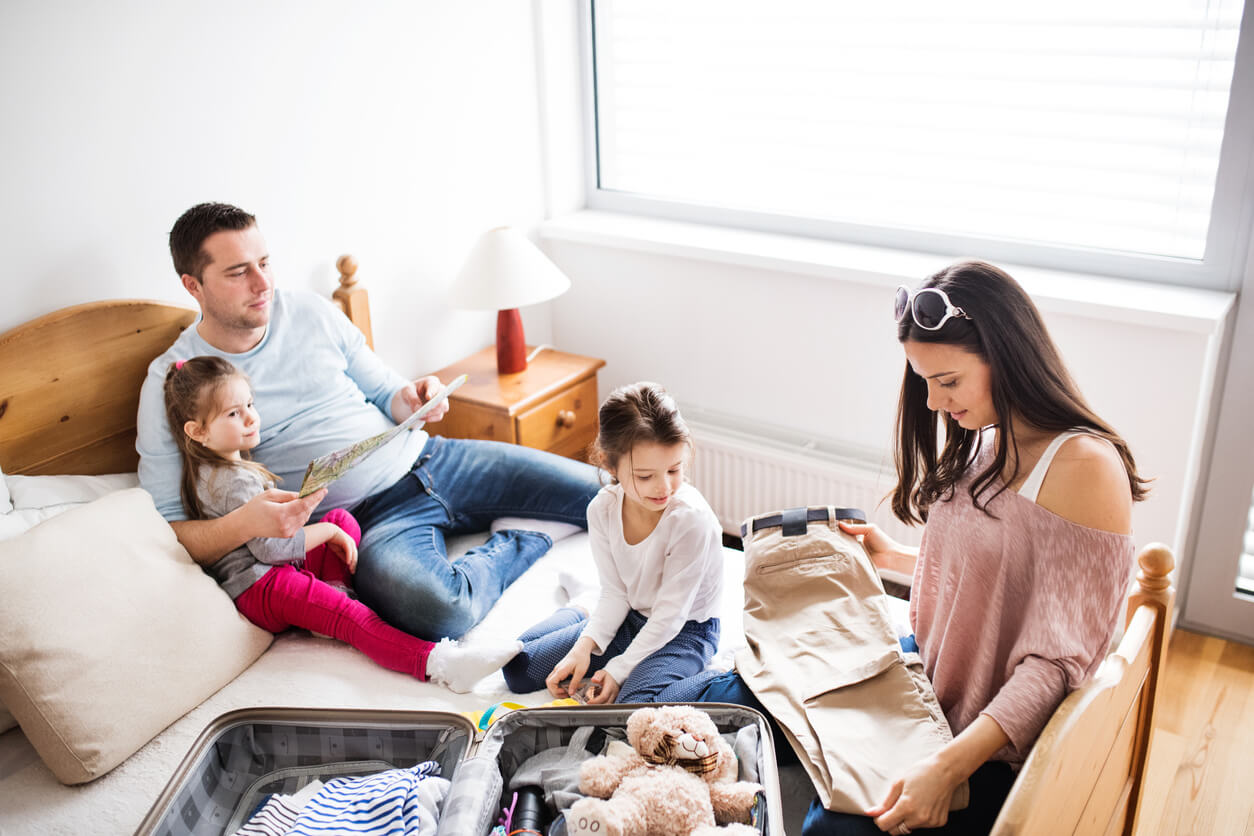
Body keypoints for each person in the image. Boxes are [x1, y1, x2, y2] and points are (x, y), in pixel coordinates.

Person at [701, 260, 1147, 836]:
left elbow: (1056, 664)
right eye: (924, 381)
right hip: (926, 671)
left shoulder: (1083, 468)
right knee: (727, 700)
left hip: (985, 735)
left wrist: (945, 768)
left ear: (1007, 356)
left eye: (949, 381)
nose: (935, 405)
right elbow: (1006, 577)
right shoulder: (989, 433)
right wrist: (894, 556)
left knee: (827, 829)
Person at [137, 202, 601, 643]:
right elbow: (170, 529)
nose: (262, 284)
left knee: (611, 494)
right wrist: (247, 523)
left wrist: (415, 398)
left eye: (265, 262)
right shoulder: (172, 380)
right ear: (193, 285)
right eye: (238, 272)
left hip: (433, 458)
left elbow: (388, 394)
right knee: (445, 612)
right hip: (365, 521)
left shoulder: (312, 311)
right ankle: (522, 538)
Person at [164, 355, 522, 692]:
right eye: (232, 413)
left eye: (250, 405)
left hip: (271, 570)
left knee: (341, 519)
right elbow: (272, 549)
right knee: (351, 610)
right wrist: (327, 531)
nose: (250, 418)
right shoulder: (233, 482)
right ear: (198, 432)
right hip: (260, 586)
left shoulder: (220, 471)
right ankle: (441, 665)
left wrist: (321, 520)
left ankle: (333, 596)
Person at [501, 382, 724, 705]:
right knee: (519, 670)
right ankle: (580, 608)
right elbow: (616, 593)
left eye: (674, 470)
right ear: (609, 464)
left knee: (631, 708)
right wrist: (584, 647)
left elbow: (670, 616)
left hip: (687, 630)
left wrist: (619, 670)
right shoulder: (603, 509)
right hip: (632, 615)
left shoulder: (690, 520)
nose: (664, 487)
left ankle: (731, 680)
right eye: (645, 476)